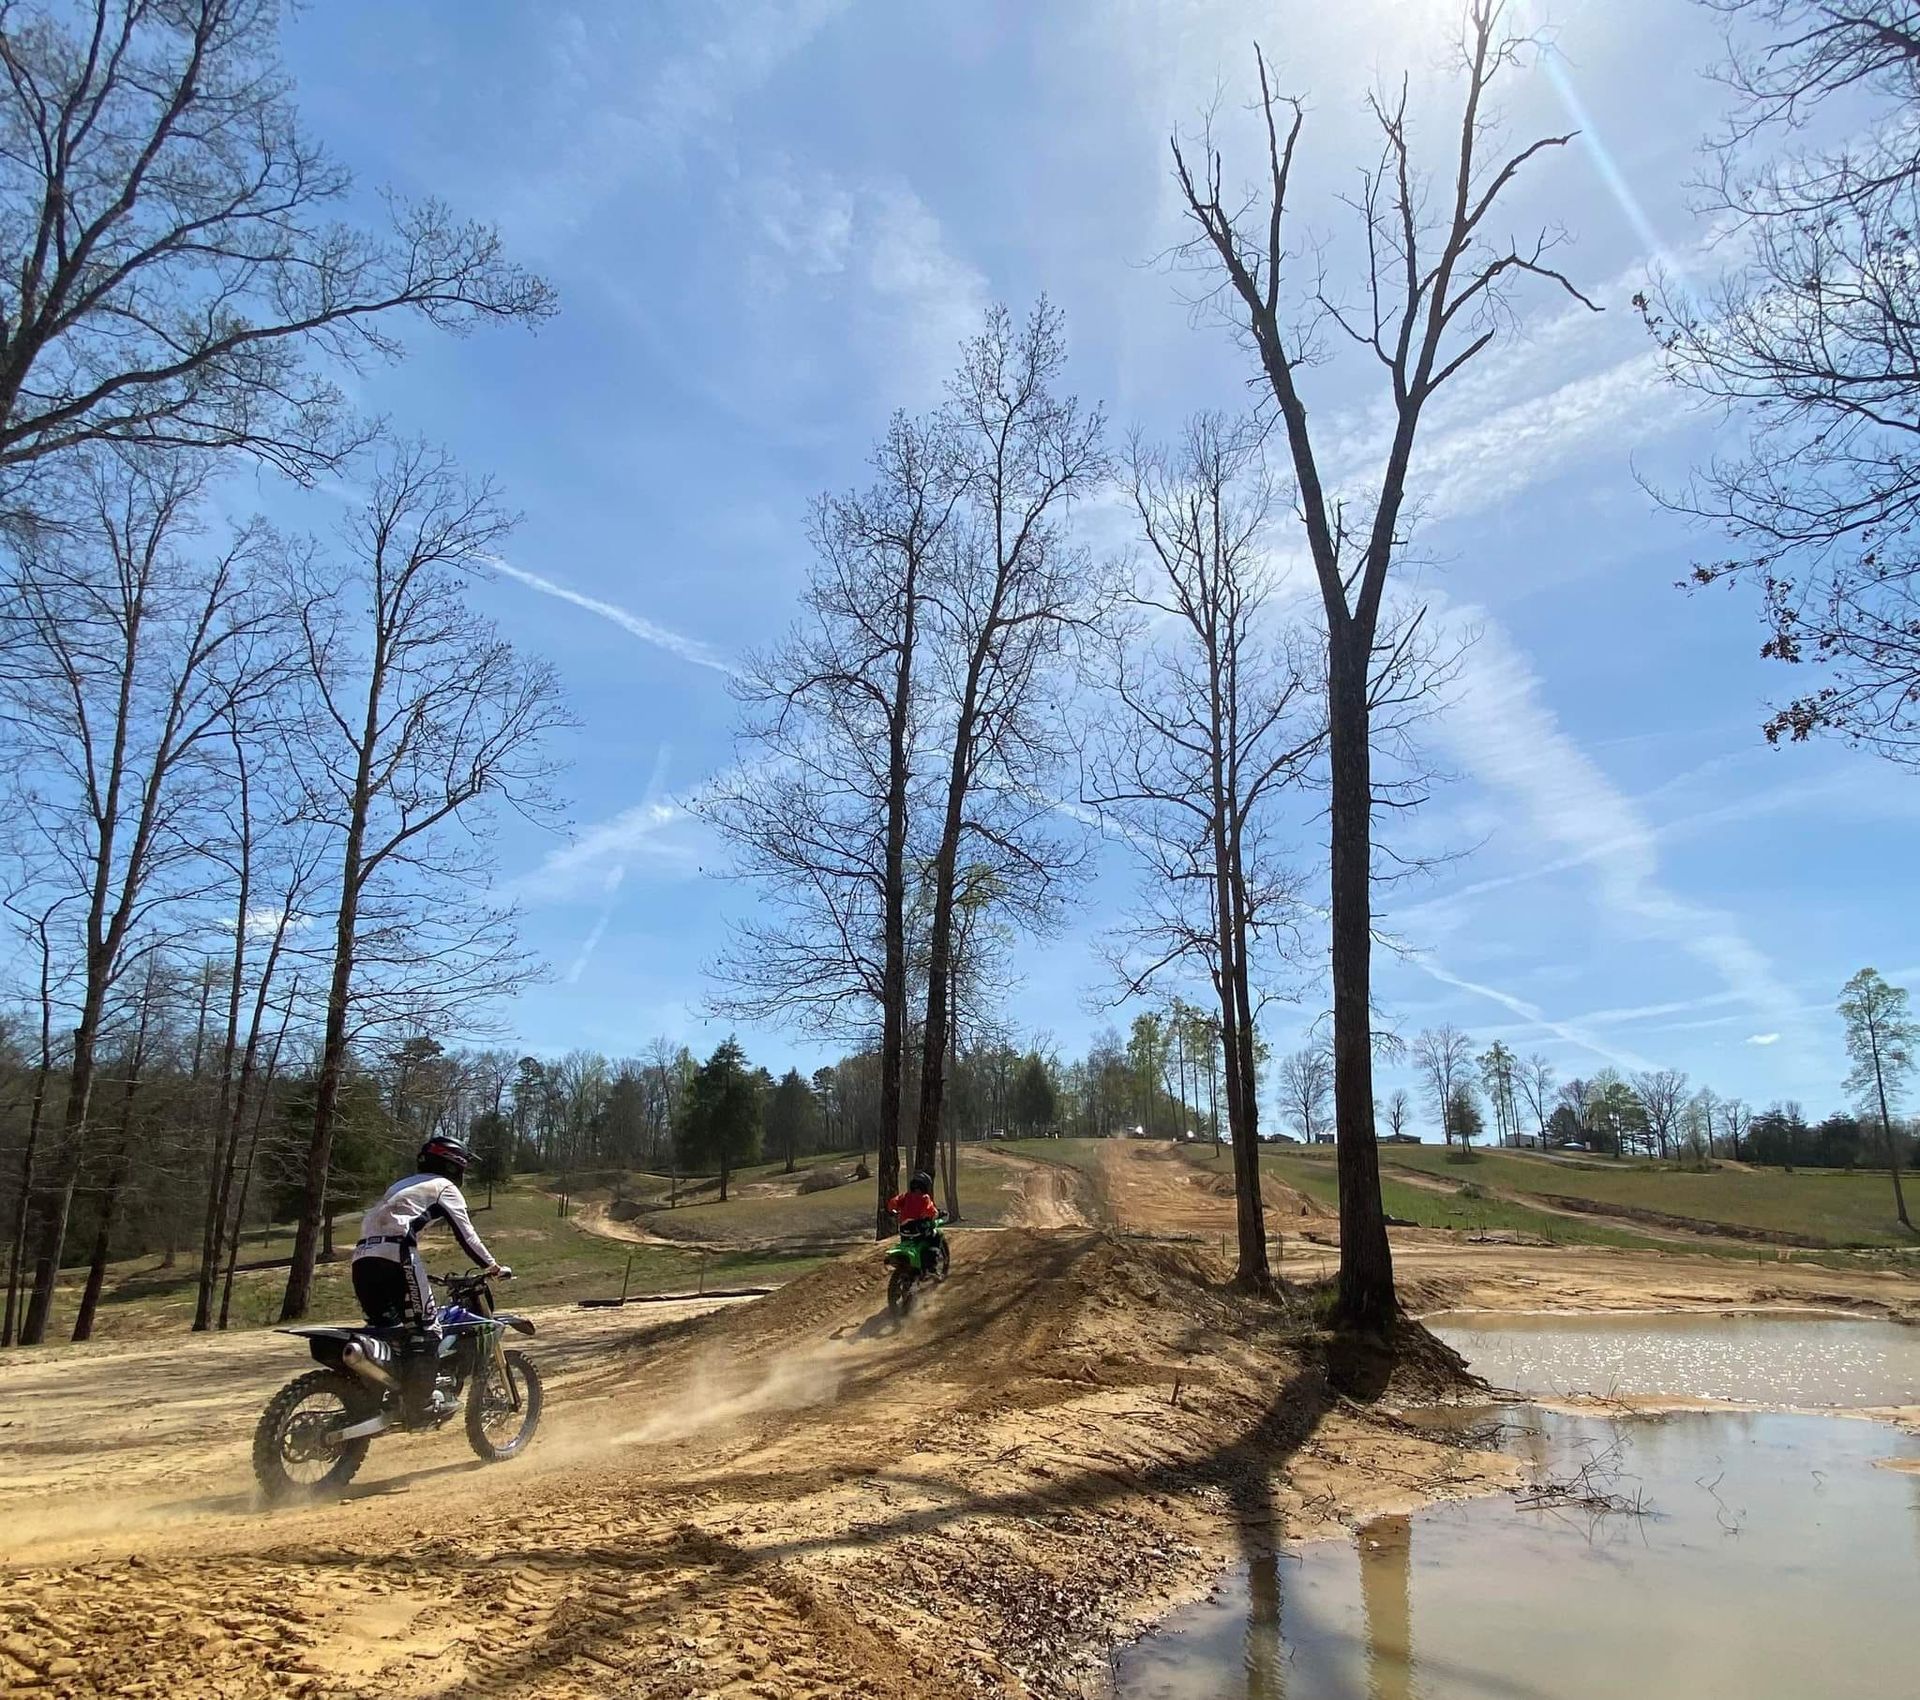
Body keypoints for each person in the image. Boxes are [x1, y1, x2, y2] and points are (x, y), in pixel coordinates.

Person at [351, 1134, 502, 1421]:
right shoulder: (444, 1187)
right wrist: (493, 1266)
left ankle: (379, 1396)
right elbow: (466, 1235)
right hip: (397, 1255)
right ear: (454, 1164)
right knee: (427, 1329)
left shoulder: (402, 1185)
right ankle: (418, 1405)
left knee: (389, 1329)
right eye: (463, 1166)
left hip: (362, 1258)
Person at [886, 1169, 947, 1277]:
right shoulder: (925, 1198)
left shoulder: (905, 1196)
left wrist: (892, 1211)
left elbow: (892, 1203)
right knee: (936, 1236)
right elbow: (931, 1211)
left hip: (904, 1231)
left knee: (906, 1241)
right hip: (919, 1232)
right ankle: (931, 1265)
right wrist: (939, 1214)